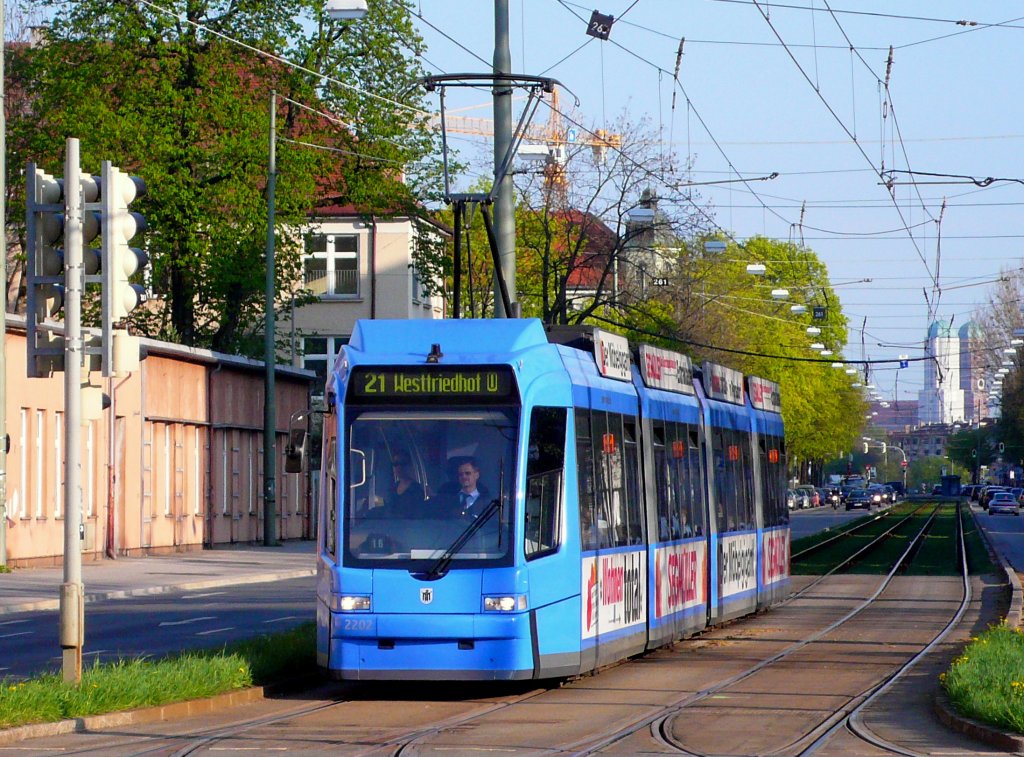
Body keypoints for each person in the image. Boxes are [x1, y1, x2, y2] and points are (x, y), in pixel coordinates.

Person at [385, 451, 424, 517]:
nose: (399, 467)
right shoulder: (392, 488)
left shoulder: (416, 489)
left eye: (402, 463)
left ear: (410, 465)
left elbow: (417, 515)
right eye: (395, 464)